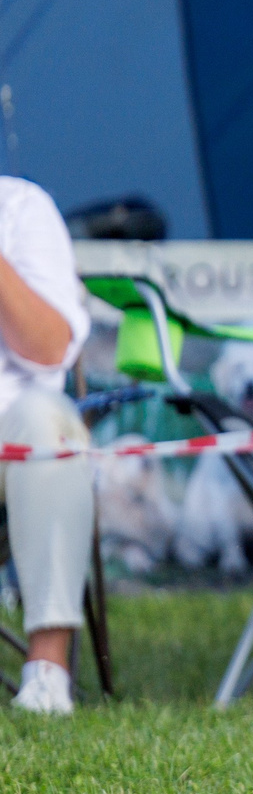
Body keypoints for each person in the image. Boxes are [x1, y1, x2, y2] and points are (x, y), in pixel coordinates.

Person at [0, 176, 95, 714]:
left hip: (10, 440)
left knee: (47, 419)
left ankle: (46, 676)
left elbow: (49, 348)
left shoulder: (21, 207)